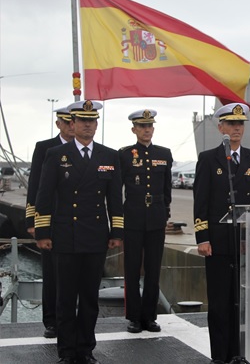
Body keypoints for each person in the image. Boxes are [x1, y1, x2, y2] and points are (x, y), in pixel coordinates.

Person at [34, 100, 123, 364]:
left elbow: (115, 198)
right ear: (72, 124)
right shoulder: (56, 155)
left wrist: (116, 231)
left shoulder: (109, 156)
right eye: (82, 121)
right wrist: (43, 233)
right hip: (65, 236)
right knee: (65, 298)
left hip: (95, 237)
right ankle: (66, 352)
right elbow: (44, 195)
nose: (87, 125)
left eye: (91, 121)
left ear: (97, 124)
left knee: (88, 299)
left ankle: (85, 349)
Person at [193, 102, 250, 364]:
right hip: (218, 242)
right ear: (220, 126)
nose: (237, 128)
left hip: (243, 243)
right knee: (220, 303)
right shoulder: (208, 158)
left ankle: (238, 353)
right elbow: (200, 201)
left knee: (240, 303)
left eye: (240, 124)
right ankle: (219, 356)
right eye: (232, 123)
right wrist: (203, 238)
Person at [119, 109, 173, 333]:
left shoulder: (164, 153)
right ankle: (133, 317)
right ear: (134, 129)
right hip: (132, 219)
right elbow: (117, 189)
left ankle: (149, 316)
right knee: (132, 270)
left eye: (150, 126)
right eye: (142, 126)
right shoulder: (124, 155)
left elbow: (167, 188)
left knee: (153, 270)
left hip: (156, 220)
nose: (147, 130)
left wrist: (165, 213)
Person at [25, 106, 74, 338]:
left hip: (76, 222)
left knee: (77, 274)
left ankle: (72, 319)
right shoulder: (45, 148)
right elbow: (34, 185)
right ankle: (52, 322)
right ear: (59, 125)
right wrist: (32, 221)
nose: (72, 126)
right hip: (50, 220)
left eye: (74, 122)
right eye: (67, 122)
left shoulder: (85, 150)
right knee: (52, 274)